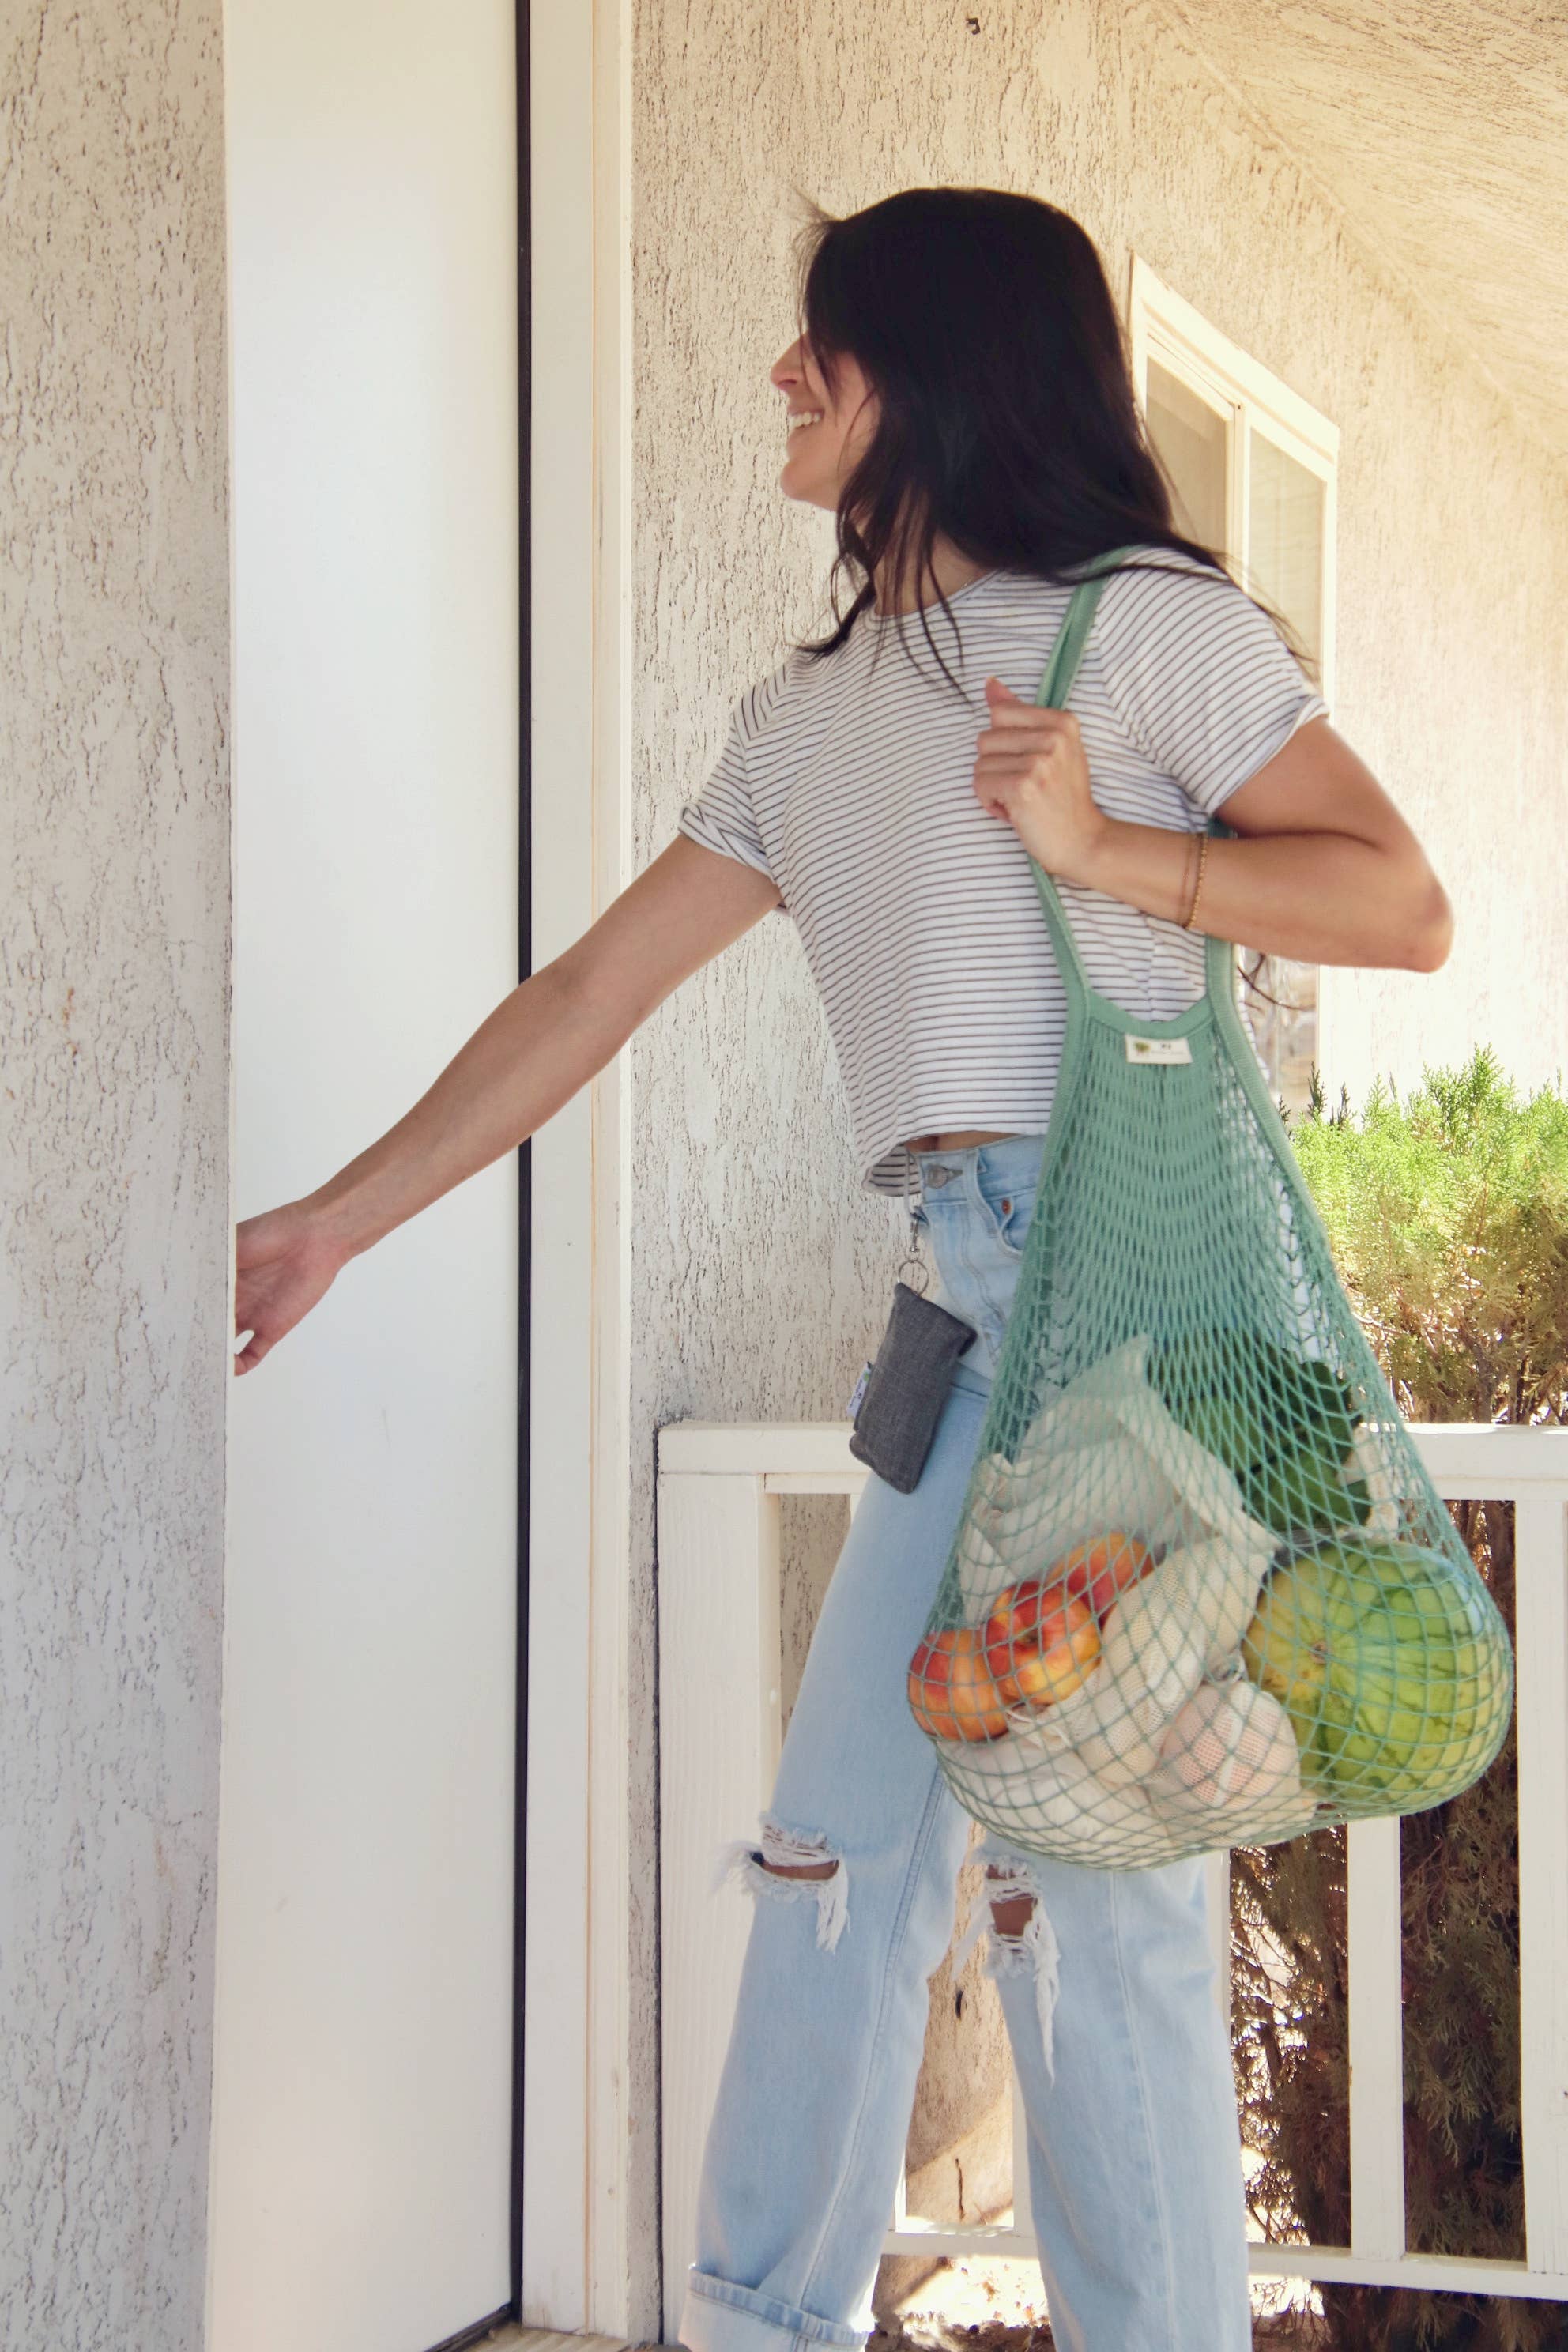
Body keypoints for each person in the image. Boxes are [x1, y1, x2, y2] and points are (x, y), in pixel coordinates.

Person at [234, 188, 1452, 2352]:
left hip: (1138, 1330)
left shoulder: (1149, 631)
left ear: (949, 375)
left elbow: (1396, 901)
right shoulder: (811, 725)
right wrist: (336, 1217)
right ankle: (757, 2320)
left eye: (828, 344)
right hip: (963, 1303)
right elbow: (583, 999)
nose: (785, 379)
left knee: (1093, 1895)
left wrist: (1111, 851)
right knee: (836, 1857)